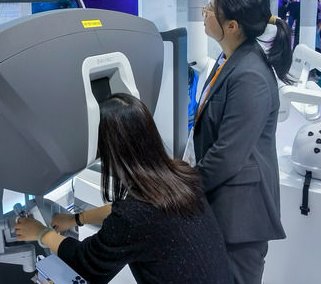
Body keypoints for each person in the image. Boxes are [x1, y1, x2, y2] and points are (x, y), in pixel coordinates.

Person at [14, 93, 232, 284]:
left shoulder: (135, 216)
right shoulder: (180, 175)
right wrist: (76, 219)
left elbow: (87, 265)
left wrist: (41, 233)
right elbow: (132, 211)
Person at [190, 0, 290, 284]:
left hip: (240, 216)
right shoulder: (229, 60)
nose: (205, 12)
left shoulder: (250, 75)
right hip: (222, 205)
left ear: (232, 26)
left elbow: (228, 155)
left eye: (211, 8)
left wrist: (182, 187)